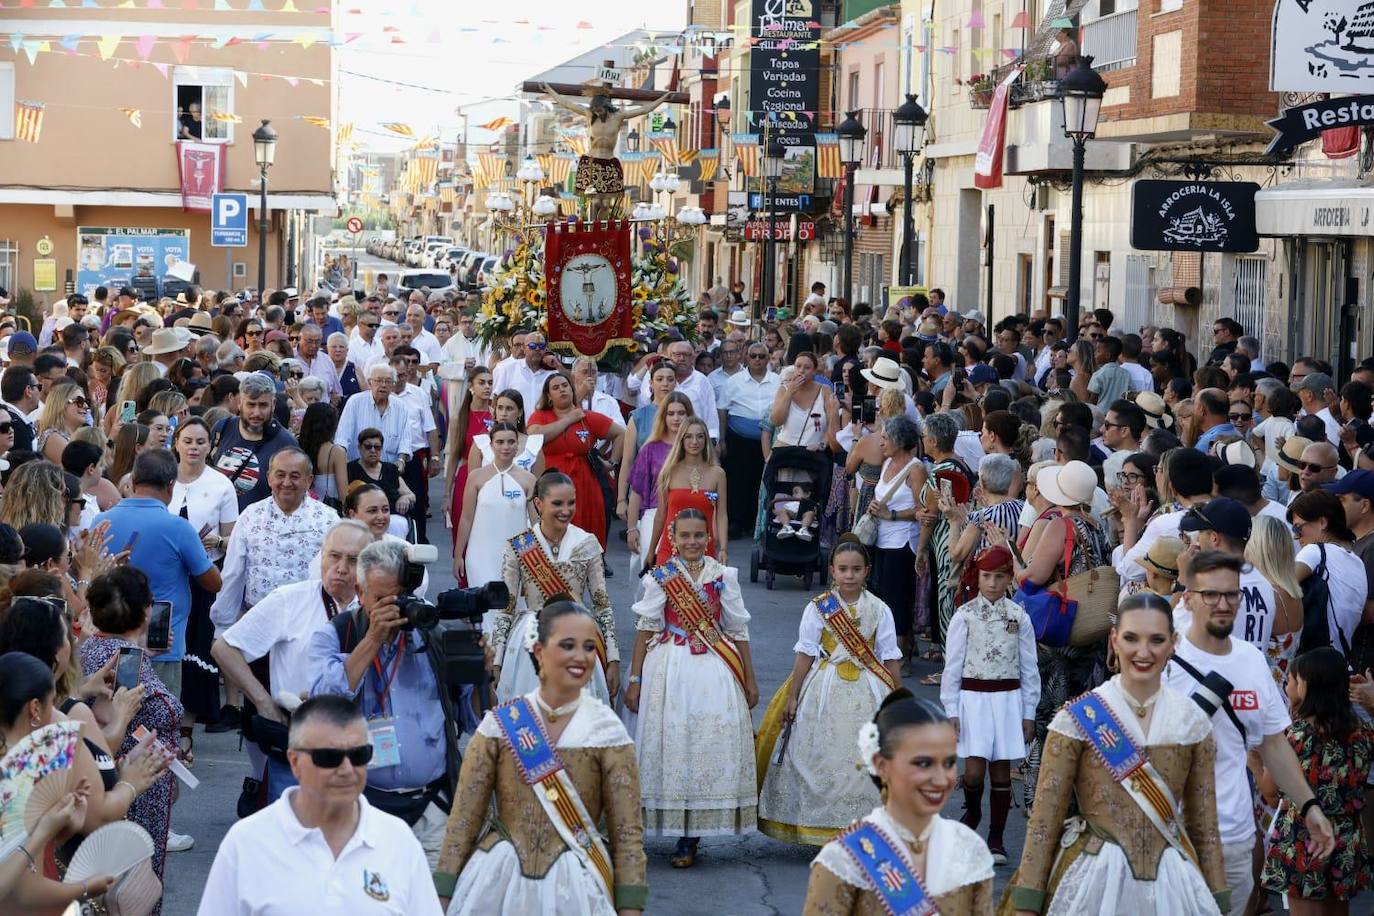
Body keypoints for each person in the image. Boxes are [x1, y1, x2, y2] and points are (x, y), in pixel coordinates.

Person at [1006, 592, 1228, 914]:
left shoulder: (1191, 723)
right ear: (1114, 640)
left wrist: (1218, 897)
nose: (1143, 651)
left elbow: (1204, 826)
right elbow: (1044, 822)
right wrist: (1027, 902)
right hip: (1092, 879)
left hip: (1172, 884)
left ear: (1173, 643)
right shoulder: (1076, 718)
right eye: (1131, 638)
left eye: (1156, 640)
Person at [434, 601, 647, 914]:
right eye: (567, 645)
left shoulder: (607, 731)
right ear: (538, 652)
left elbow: (627, 833)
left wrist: (630, 907)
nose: (581, 657)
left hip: (578, 886)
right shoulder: (501, 725)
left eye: (589, 647)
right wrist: (442, 895)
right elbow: (464, 820)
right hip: (499, 884)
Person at [1164, 551, 1338, 916]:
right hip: (1172, 835)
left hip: (1236, 836)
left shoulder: (1251, 660)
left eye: (1232, 595)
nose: (1223, 604)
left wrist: (1309, 807)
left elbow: (1274, 743)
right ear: (1189, 597)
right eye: (1211, 594)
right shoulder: (1164, 658)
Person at [196, 694, 443, 916]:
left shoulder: (398, 840)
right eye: (329, 757)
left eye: (360, 755)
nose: (347, 770)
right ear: (294, 762)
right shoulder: (245, 843)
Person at [308, 539, 460, 866]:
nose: (392, 608)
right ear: (360, 592)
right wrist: (373, 639)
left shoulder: (430, 636)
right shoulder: (337, 634)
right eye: (380, 599)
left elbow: (468, 712)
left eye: (398, 597)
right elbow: (324, 704)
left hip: (431, 804)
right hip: (363, 806)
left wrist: (478, 670)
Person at [625, 508, 759, 868]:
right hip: (669, 666)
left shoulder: (723, 576)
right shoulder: (660, 577)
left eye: (699, 536)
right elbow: (645, 627)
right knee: (670, 744)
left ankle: (691, 836)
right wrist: (635, 678)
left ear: (708, 538)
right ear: (673, 538)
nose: (692, 542)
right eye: (685, 536)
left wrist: (749, 676)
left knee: (703, 742)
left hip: (714, 666)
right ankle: (665, 824)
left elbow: (737, 628)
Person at [211, 521, 372, 802]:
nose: (342, 567)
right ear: (321, 556)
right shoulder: (290, 599)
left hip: (361, 746)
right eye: (334, 556)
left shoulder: (375, 609)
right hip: (297, 745)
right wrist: (263, 702)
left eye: (353, 559)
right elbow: (224, 648)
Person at [755, 538, 901, 845]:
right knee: (819, 755)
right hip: (824, 686)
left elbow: (890, 656)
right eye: (843, 569)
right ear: (832, 571)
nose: (849, 575)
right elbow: (805, 653)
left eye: (856, 570)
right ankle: (820, 827)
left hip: (869, 686)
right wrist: (793, 696)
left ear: (867, 572)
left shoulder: (881, 609)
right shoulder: (819, 608)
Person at [802, 690, 995, 914]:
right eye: (923, 763)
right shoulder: (845, 859)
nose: (941, 779)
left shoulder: (969, 848)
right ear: (882, 765)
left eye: (950, 763)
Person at [79, 566, 189, 904]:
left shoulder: (93, 649)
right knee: (134, 889)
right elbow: (161, 713)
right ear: (145, 612)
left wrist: (144, 650)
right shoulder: (126, 662)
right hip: (134, 788)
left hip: (117, 778)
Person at [94, 449, 222, 697]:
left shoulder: (101, 520)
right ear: (171, 486)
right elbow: (213, 582)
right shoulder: (178, 528)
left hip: (109, 637)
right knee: (158, 721)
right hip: (160, 640)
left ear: (131, 482)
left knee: (116, 715)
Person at [941, 546, 1038, 864]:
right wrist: (951, 709)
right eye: (986, 576)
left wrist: (1028, 712)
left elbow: (1029, 667)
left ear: (1010, 578)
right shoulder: (964, 616)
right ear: (978, 578)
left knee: (1000, 771)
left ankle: (996, 839)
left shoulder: (1018, 616)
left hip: (1008, 700)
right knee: (973, 771)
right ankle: (973, 812)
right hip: (973, 700)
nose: (993, 583)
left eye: (999, 577)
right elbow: (952, 666)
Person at [0, 652, 119, 912]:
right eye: (52, 703)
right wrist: (86, 887)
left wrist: (60, 830)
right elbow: (26, 891)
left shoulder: (19, 769)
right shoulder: (18, 780)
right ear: (34, 708)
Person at [1259, 647, 1373, 911]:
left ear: (1305, 687)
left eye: (1291, 680)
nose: (1287, 686)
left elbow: (1270, 790)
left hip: (1303, 837)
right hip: (1346, 839)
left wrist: (1255, 763)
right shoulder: (1363, 733)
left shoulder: (1296, 736)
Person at [490, 472, 618, 704]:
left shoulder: (587, 543)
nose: (566, 510)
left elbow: (603, 606)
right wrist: (497, 661)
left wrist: (613, 659)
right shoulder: (519, 546)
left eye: (571, 503)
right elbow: (505, 609)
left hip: (578, 635)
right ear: (539, 504)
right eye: (557, 503)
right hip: (531, 640)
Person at [210, 448, 337, 637]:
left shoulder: (329, 519)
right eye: (280, 475)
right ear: (269, 477)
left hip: (308, 626)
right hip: (257, 623)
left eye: (295, 476)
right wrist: (222, 628)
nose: (286, 483)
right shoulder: (251, 516)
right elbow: (232, 574)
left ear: (309, 481)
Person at [169, 417, 239, 730]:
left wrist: (216, 542)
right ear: (176, 444)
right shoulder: (164, 478)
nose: (194, 447)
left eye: (200, 442)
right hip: (167, 575)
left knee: (198, 643)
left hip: (204, 574)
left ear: (210, 446)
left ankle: (188, 721)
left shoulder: (221, 484)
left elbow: (230, 538)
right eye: (188, 441)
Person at [527, 372, 623, 550]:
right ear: (548, 396)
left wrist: (612, 462)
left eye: (565, 386)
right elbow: (534, 436)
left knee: (585, 531)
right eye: (555, 388)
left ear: (572, 390)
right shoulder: (541, 416)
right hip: (551, 481)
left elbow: (620, 434)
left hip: (585, 483)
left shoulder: (588, 417)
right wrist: (568, 419)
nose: (562, 390)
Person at [451, 423, 535, 591]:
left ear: (518, 444)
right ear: (491, 445)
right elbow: (466, 518)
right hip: (480, 554)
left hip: (517, 554)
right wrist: (458, 555)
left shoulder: (529, 479)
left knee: (513, 610)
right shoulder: (476, 477)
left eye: (511, 442)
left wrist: (535, 557)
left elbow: (535, 523)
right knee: (486, 609)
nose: (506, 447)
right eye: (500, 442)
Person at [1288, 489, 1367, 658]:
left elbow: (1281, 585)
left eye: (1298, 528)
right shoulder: (1357, 561)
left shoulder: (1315, 551)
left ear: (1323, 522)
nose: (1296, 537)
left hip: (1312, 659)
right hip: (1340, 659)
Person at [207, 371, 300, 510]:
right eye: (251, 405)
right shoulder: (222, 429)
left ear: (273, 404)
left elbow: (292, 494)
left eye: (263, 405)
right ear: (240, 403)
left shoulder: (287, 444)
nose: (256, 413)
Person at [646, 416, 728, 567]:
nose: (694, 442)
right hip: (669, 549)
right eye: (689, 436)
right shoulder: (668, 472)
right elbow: (661, 514)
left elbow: (722, 514)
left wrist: (723, 548)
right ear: (681, 440)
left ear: (706, 440)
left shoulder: (718, 474)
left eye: (700, 436)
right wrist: (651, 550)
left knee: (701, 591)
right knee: (666, 591)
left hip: (702, 549)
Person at [624, 392, 693, 569]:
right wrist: (632, 528)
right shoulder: (650, 449)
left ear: (689, 415)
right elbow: (637, 491)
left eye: (681, 413)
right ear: (664, 417)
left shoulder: (696, 448)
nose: (676, 418)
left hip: (690, 515)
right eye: (671, 414)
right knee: (651, 571)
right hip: (654, 513)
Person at [721, 341, 780, 538]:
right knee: (738, 481)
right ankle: (736, 521)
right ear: (746, 357)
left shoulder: (778, 381)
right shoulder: (734, 381)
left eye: (761, 356)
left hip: (769, 440)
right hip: (739, 439)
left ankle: (756, 522)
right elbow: (722, 410)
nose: (757, 360)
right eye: (753, 356)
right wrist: (721, 440)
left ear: (768, 358)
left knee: (761, 480)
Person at [445, 365, 494, 545]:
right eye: (482, 383)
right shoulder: (460, 416)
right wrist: (446, 495)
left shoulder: (497, 414)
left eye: (490, 383)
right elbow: (453, 456)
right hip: (466, 477)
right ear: (471, 386)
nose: (487, 387)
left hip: (491, 476)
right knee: (463, 531)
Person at [348, 426, 417, 516]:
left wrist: (405, 498)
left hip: (391, 518)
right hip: (363, 520)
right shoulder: (351, 469)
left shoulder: (390, 469)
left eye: (377, 447)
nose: (373, 450)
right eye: (368, 446)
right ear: (360, 448)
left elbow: (411, 495)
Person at [297, 401, 349, 509]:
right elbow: (344, 495)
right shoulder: (336, 452)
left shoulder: (297, 447)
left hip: (303, 509)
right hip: (328, 512)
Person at [34, 379, 88, 465]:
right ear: (61, 404)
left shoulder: (73, 436)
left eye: (86, 402)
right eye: (79, 401)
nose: (86, 406)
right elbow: (81, 472)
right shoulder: (53, 437)